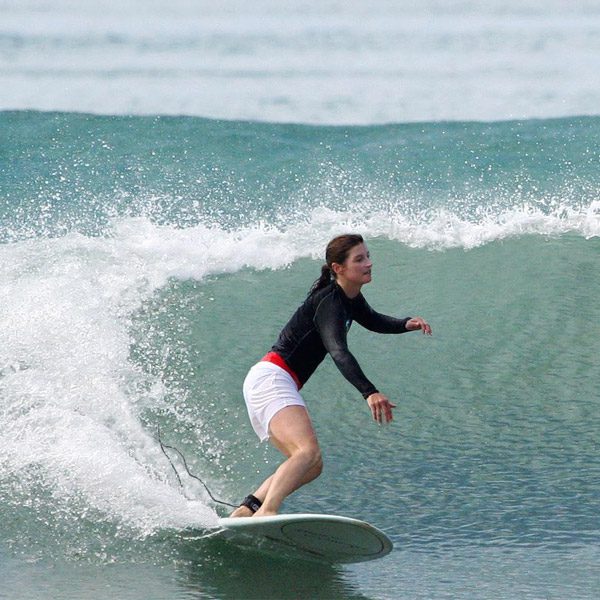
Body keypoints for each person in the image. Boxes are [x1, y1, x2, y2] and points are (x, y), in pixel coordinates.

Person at [231, 233, 431, 517]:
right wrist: (369, 391)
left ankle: (248, 509)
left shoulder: (349, 298)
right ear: (338, 268)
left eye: (368, 256)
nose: (368, 263)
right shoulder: (330, 302)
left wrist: (405, 324)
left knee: (311, 465)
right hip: (273, 378)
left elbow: (372, 319)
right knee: (307, 453)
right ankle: (268, 511)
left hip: (271, 380)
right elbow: (338, 351)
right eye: (359, 259)